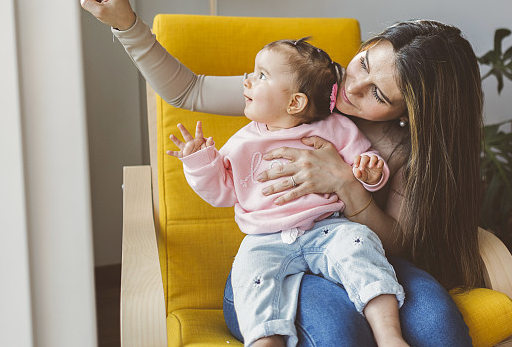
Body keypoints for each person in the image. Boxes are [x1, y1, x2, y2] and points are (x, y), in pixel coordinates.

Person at [78, 0, 482, 346]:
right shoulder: (307, 91)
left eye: (377, 94)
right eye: (362, 63)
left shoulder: (410, 153)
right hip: (270, 260)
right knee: (339, 330)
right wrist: (126, 23)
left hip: (353, 251)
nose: (352, 86)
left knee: (439, 327)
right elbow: (189, 91)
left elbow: (400, 245)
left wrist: (346, 184)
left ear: (410, 114)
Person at [166, 37, 406, 347]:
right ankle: (266, 339)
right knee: (251, 276)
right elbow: (222, 192)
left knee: (361, 247)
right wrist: (199, 161)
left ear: (295, 103)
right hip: (265, 239)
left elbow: (363, 169)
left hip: (328, 228)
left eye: (261, 75)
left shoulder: (336, 128)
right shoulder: (243, 143)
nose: (248, 79)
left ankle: (390, 336)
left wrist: (372, 172)